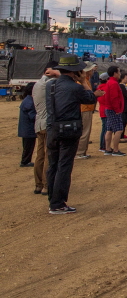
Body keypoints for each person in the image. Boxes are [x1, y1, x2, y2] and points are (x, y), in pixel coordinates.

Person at [46, 54, 96, 214]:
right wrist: (83, 81)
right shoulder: (76, 87)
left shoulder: (51, 85)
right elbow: (90, 99)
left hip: (52, 128)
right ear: (75, 71)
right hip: (69, 129)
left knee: (53, 164)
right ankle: (58, 203)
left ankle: (52, 199)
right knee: (64, 166)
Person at [32, 61, 59, 194]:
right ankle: (47, 185)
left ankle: (38, 184)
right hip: (49, 123)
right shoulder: (51, 84)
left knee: (39, 155)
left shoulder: (37, 84)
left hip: (39, 123)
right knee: (49, 154)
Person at [99, 66, 126, 156]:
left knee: (109, 129)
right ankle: (115, 149)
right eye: (118, 72)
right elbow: (114, 98)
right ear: (115, 73)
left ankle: (107, 148)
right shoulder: (114, 83)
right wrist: (117, 109)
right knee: (118, 130)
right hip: (113, 109)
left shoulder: (109, 82)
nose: (119, 73)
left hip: (109, 109)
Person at [75, 62, 99, 159]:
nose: (93, 71)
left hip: (87, 108)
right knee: (84, 131)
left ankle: (83, 151)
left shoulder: (87, 80)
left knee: (86, 131)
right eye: (91, 69)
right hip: (84, 108)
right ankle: (80, 152)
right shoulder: (82, 82)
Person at [18, 83, 37, 167]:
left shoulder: (27, 100)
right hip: (28, 129)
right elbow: (32, 116)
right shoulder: (30, 102)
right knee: (28, 146)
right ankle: (25, 161)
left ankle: (26, 160)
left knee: (27, 146)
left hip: (26, 129)